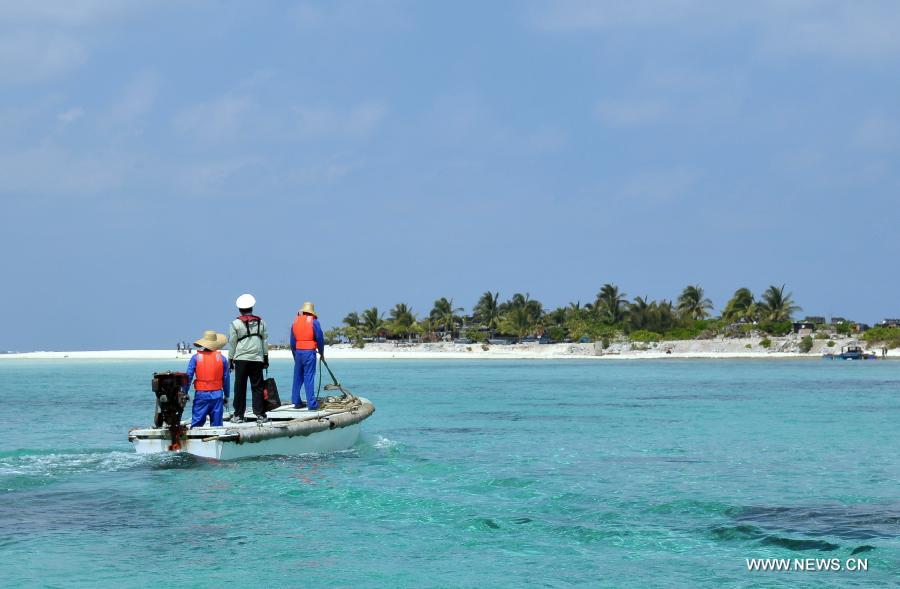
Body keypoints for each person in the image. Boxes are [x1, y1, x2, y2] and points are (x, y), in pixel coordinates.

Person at [227, 293, 270, 423]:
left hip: (241, 358)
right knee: (257, 387)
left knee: (240, 387)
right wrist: (266, 358)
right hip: (257, 358)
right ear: (252, 308)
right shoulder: (261, 322)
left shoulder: (235, 324)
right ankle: (260, 415)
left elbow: (232, 343)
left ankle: (239, 415)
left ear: (239, 309)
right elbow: (264, 341)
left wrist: (230, 359)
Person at [183, 330, 230, 428]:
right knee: (217, 425)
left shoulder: (195, 358)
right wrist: (227, 395)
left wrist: (185, 392)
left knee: (196, 424)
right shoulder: (222, 359)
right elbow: (226, 379)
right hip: (217, 396)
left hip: (201, 395)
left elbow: (188, 377)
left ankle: (195, 440)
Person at [290, 301, 325, 410]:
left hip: (298, 352)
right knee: (309, 377)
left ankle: (296, 402)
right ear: (312, 312)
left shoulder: (295, 322)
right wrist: (322, 353)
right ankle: (312, 404)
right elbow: (320, 339)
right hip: (309, 352)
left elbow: (292, 342)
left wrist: (295, 355)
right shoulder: (314, 322)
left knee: (297, 377)